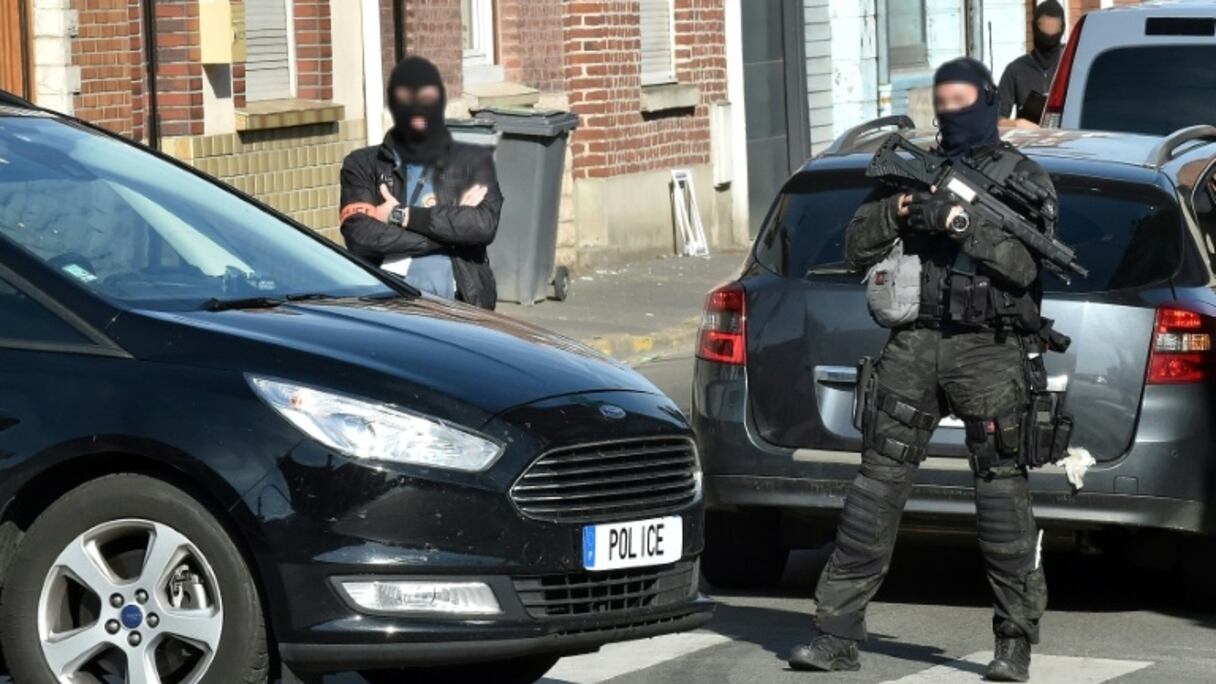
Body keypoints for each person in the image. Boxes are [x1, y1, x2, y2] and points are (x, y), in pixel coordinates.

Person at [788, 57, 1056, 683]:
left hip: (989, 350)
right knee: (874, 492)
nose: (951, 113)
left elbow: (1024, 268)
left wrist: (962, 224)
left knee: (1002, 499)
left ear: (988, 102)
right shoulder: (912, 170)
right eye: (943, 101)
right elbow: (855, 245)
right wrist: (906, 209)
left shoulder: (1025, 179)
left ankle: (1013, 642)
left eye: (964, 101)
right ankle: (835, 635)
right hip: (913, 344)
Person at [340, 56, 502, 309]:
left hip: (463, 296)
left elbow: (482, 226)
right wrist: (450, 236)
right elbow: (360, 235)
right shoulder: (362, 165)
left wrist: (401, 215)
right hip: (385, 295)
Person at [998, 0, 1066, 129]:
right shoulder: (1016, 70)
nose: (1049, 34)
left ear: (1062, 28)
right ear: (1034, 27)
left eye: (1054, 27)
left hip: (1068, 144)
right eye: (1044, 26)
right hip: (1028, 144)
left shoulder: (1072, 66)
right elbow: (994, 119)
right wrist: (1016, 124)